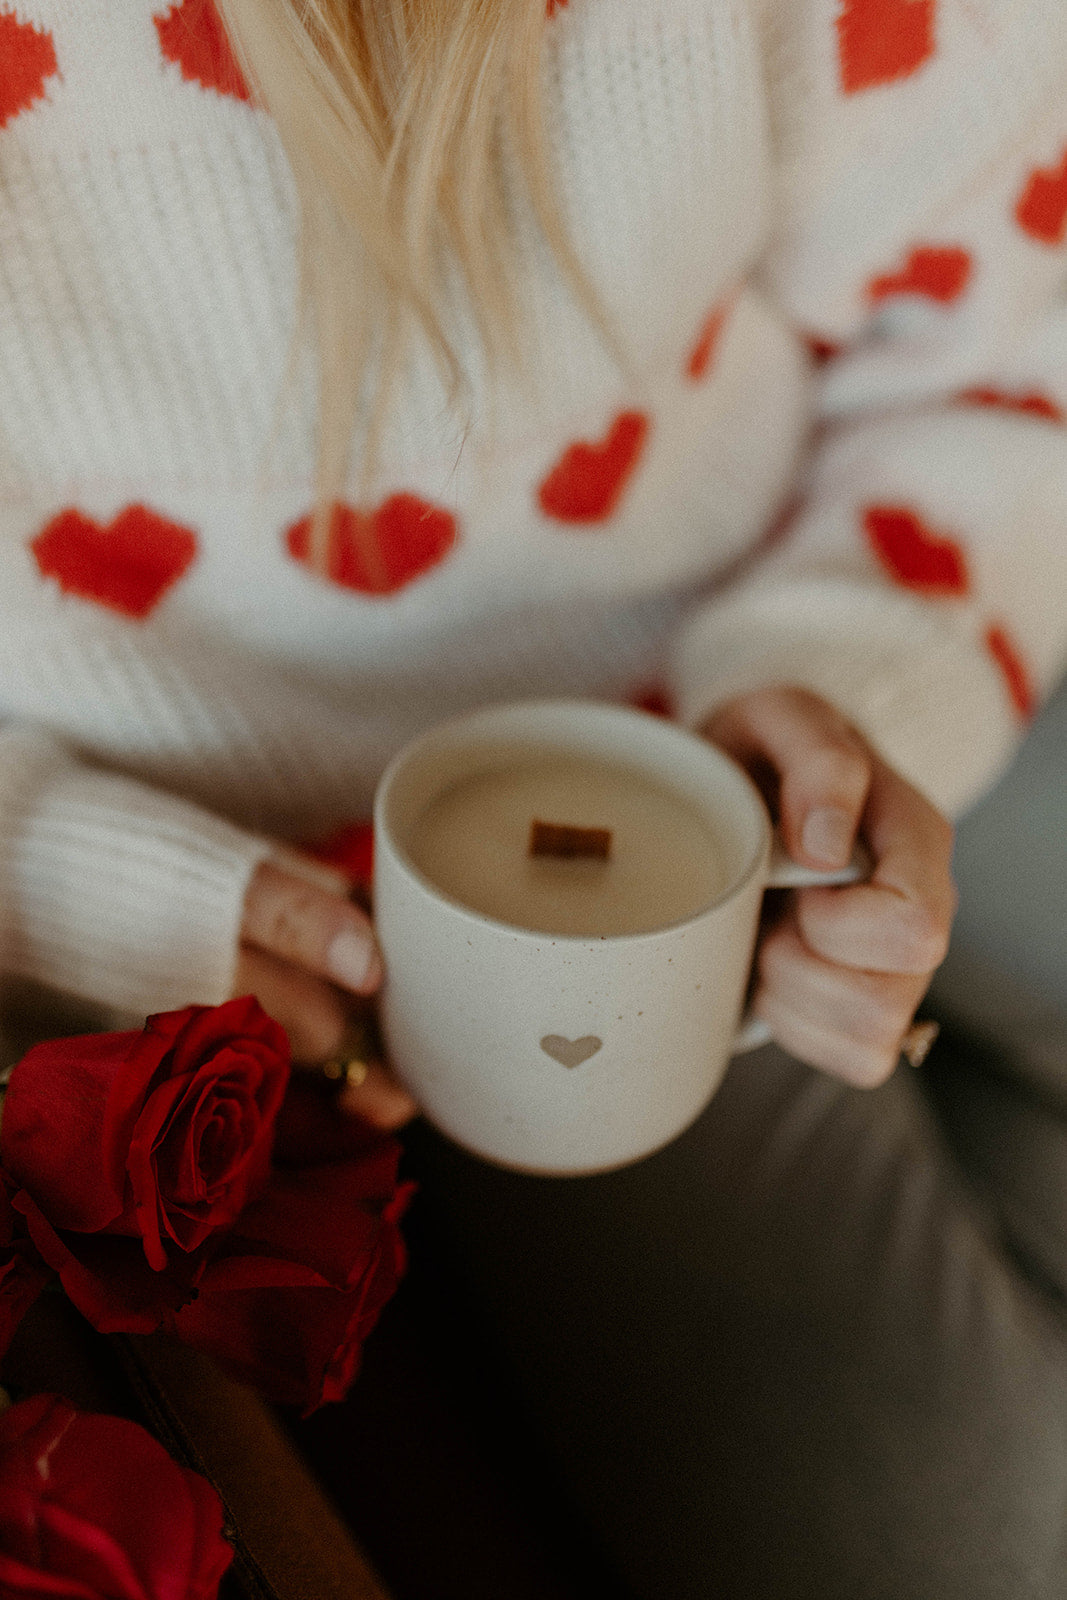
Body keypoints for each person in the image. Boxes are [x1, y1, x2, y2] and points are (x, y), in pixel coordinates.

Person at [0, 0, 1065, 1593]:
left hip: (777, 711)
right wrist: (48, 875)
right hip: (234, 961)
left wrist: (859, 685)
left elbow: (1006, 349)